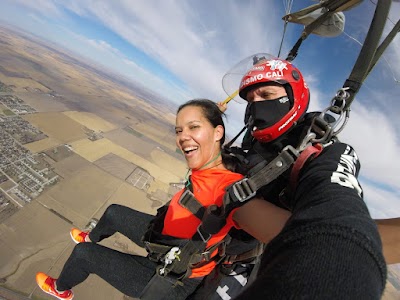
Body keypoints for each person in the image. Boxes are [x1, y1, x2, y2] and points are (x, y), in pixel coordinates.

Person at [35, 99, 290, 300]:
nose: (183, 137)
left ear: (217, 134)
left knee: (83, 255)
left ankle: (60, 289)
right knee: (113, 212)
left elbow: (287, 233)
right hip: (162, 239)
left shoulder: (232, 191)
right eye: (180, 130)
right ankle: (92, 236)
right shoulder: (212, 162)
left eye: (193, 128)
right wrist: (211, 113)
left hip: (171, 276)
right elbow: (205, 140)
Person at [218, 54, 387, 299]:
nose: (257, 106)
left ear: (293, 96)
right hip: (213, 245)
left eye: (266, 95)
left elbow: (339, 211)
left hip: (241, 266)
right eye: (251, 100)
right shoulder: (254, 140)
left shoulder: (324, 152)